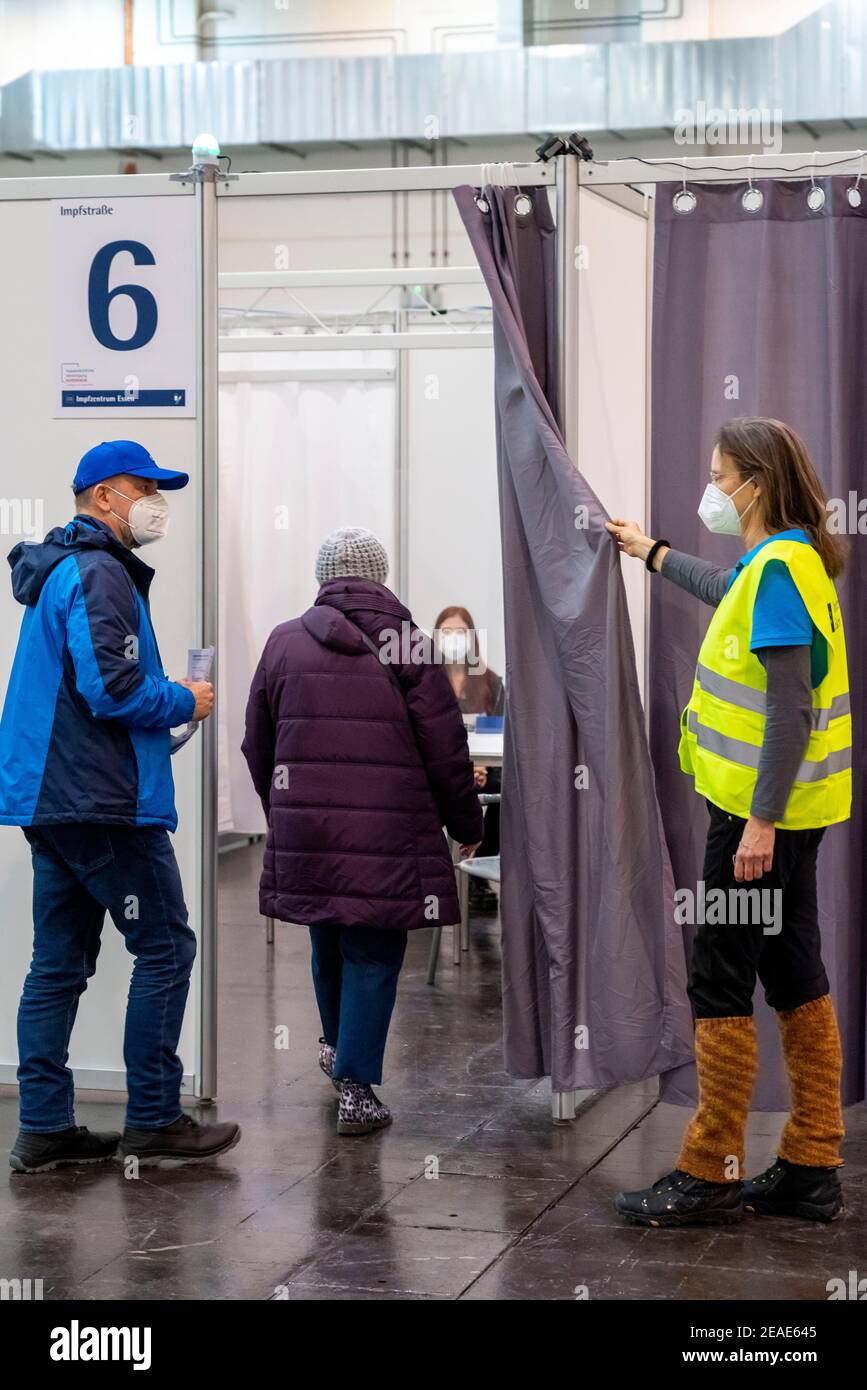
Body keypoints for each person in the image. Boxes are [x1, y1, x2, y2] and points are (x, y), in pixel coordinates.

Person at [606, 417, 851, 1226]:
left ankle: (709, 1170)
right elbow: (725, 590)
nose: (710, 488)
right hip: (785, 815)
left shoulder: (779, 569)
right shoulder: (779, 563)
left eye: (718, 475)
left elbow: (789, 707)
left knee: (717, 974)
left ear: (753, 481)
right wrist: (649, 551)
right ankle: (812, 1163)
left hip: (758, 819)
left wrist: (757, 824)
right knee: (791, 971)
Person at [0, 439, 240, 1173]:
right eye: (145, 486)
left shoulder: (61, 571)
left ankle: (43, 1128)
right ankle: (156, 1118)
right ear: (104, 495)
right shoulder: (100, 573)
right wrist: (185, 698)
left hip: (54, 799)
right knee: (166, 946)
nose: (155, 501)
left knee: (59, 962)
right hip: (100, 805)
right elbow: (112, 688)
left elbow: (80, 698)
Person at [242, 527, 483, 1136]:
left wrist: (284, 813)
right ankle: (356, 1086)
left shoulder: (284, 641)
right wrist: (466, 821)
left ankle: (334, 1047)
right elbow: (445, 744)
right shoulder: (407, 643)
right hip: (389, 832)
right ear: (380, 576)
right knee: (374, 950)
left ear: (323, 577)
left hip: (311, 827)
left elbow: (256, 742)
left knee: (327, 934)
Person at [434, 605, 504, 908]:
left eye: (459, 632)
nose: (452, 638)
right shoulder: (425, 680)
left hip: (484, 771)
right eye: (446, 632)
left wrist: (480, 766)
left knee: (506, 792)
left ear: (472, 637)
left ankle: (477, 866)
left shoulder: (490, 682)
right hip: (444, 770)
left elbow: (498, 733)